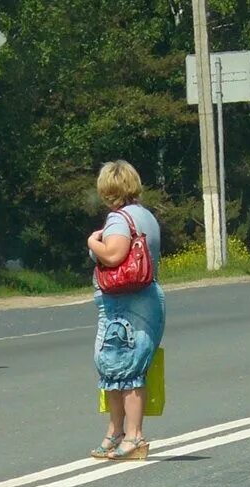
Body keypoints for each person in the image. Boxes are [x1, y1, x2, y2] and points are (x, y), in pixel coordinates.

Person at [86, 160, 165, 460]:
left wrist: (93, 241)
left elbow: (115, 254)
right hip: (144, 298)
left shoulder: (119, 220)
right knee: (115, 368)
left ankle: (133, 435)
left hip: (126, 303)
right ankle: (115, 432)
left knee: (127, 370)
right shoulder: (146, 217)